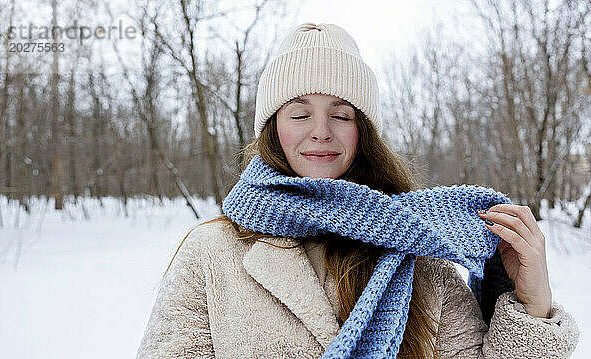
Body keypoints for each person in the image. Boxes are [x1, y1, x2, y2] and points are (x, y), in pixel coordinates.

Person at [136, 23, 580, 358]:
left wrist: (533, 304)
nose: (321, 132)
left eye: (342, 115)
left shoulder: (417, 250)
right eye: (299, 113)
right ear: (273, 128)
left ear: (362, 131)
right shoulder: (211, 252)